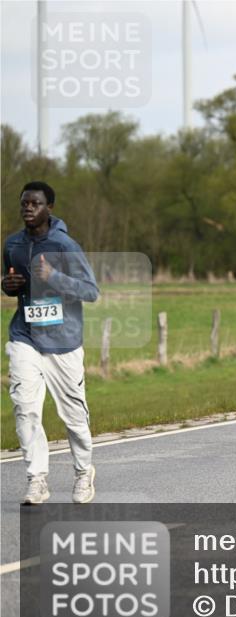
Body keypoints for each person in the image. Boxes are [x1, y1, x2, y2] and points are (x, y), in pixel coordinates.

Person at [3, 182, 100, 504]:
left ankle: (84, 472)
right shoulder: (12, 244)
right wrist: (8, 285)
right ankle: (37, 479)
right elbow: (14, 284)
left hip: (63, 342)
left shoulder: (65, 246)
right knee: (25, 408)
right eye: (24, 204)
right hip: (25, 336)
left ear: (50, 208)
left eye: (35, 203)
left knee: (73, 416)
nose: (28, 208)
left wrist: (54, 277)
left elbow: (91, 292)